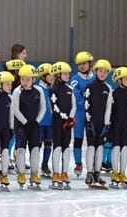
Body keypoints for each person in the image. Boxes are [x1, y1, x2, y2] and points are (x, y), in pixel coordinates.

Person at [11, 65, 46, 190]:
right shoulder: (17, 91)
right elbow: (15, 109)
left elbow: (43, 108)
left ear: (33, 79)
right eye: (23, 79)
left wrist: (37, 121)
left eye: (28, 79)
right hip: (21, 125)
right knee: (20, 150)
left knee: (35, 150)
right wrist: (25, 122)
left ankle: (34, 174)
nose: (25, 82)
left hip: (34, 125)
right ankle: (21, 174)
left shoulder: (39, 91)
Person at [84, 59, 112, 189]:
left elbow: (108, 108)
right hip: (91, 122)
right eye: (100, 71)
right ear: (95, 71)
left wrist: (106, 124)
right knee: (91, 147)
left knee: (100, 147)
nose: (102, 74)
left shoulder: (108, 88)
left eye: (105, 72)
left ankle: (97, 173)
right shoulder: (90, 86)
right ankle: (89, 172)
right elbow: (86, 104)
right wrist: (89, 120)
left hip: (102, 123)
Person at [107, 67, 127, 189]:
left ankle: (123, 172)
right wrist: (108, 125)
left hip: (126, 125)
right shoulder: (113, 93)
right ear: (119, 81)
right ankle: (115, 172)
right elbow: (109, 110)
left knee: (124, 147)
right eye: (126, 79)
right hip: (115, 125)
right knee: (116, 147)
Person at [48, 61, 76, 190]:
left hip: (68, 123)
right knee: (57, 146)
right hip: (58, 122)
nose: (67, 75)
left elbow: (74, 104)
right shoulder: (53, 89)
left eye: (68, 73)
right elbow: (54, 106)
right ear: (58, 75)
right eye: (64, 73)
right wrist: (63, 116)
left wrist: (70, 117)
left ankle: (65, 172)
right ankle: (56, 173)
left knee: (66, 147)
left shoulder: (70, 89)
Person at [69, 51, 95, 177]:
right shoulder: (74, 79)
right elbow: (76, 96)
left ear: (90, 64)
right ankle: (78, 163)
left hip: (92, 113)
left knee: (92, 140)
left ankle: (93, 164)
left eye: (84, 63)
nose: (82, 66)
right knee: (78, 139)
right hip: (79, 112)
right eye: (79, 64)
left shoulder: (95, 78)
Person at [36, 63, 53, 178]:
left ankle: (45, 164)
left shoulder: (51, 88)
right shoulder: (38, 89)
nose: (52, 77)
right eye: (50, 75)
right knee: (38, 144)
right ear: (43, 76)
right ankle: (35, 164)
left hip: (50, 122)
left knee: (48, 143)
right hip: (40, 122)